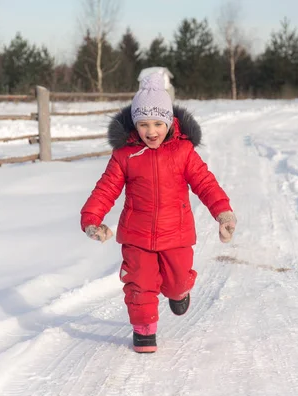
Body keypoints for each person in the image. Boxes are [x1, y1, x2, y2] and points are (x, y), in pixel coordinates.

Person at [80, 73, 236, 353]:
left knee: (176, 283)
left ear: (169, 122)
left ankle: (180, 293)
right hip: (137, 236)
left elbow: (205, 183)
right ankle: (144, 330)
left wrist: (223, 214)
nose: (151, 131)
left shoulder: (183, 152)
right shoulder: (125, 155)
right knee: (139, 284)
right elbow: (106, 188)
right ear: (135, 125)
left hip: (176, 235)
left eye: (157, 123)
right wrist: (92, 218)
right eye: (143, 124)